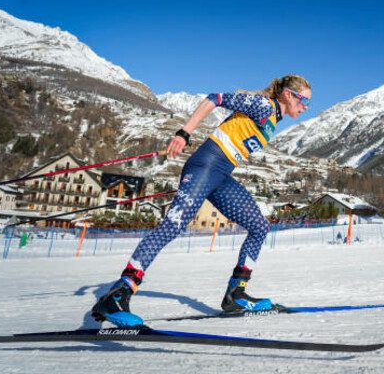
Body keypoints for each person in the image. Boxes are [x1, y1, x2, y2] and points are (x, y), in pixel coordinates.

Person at [91, 75, 312, 327]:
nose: (305, 107)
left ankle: (236, 295)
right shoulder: (264, 106)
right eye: (304, 100)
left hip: (219, 175)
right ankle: (118, 294)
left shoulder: (273, 117)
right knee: (172, 226)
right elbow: (215, 98)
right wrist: (183, 133)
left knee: (259, 226)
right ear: (288, 94)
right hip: (205, 166)